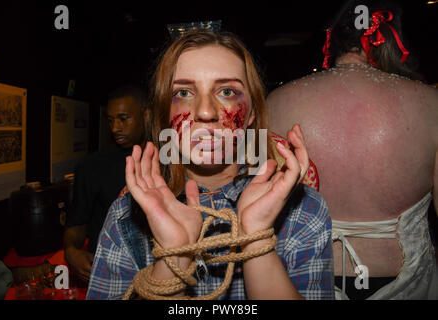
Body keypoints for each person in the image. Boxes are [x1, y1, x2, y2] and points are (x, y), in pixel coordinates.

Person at [86, 30, 334, 300]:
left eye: (227, 91)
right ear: (164, 113)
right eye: (183, 92)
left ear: (251, 112)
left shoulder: (304, 209)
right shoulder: (125, 218)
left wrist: (258, 237)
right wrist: (174, 258)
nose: (206, 112)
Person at [266, 0, 438, 299]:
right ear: (389, 41)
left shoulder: (276, 101)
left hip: (302, 279)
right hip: (410, 282)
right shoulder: (430, 103)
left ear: (331, 42)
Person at [63, 85, 149, 283]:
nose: (115, 128)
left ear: (147, 115)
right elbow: (77, 222)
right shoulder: (91, 166)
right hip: (111, 273)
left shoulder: (170, 163)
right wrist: (71, 251)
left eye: (123, 118)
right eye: (110, 120)